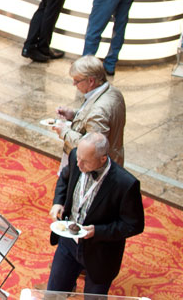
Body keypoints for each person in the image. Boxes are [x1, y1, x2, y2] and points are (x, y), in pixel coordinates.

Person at [46, 134, 144, 295]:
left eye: (85, 161)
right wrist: (58, 201)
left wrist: (98, 231)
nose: (79, 164)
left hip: (100, 253)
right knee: (52, 296)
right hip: (68, 242)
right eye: (78, 158)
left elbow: (134, 224)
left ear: (103, 159)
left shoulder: (125, 184)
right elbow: (64, 178)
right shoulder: (75, 158)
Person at [53, 55, 126, 167]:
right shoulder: (112, 91)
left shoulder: (99, 111)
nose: (74, 84)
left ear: (91, 81)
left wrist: (64, 132)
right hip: (114, 157)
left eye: (77, 81)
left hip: (93, 169)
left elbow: (91, 148)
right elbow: (91, 116)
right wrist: (73, 114)